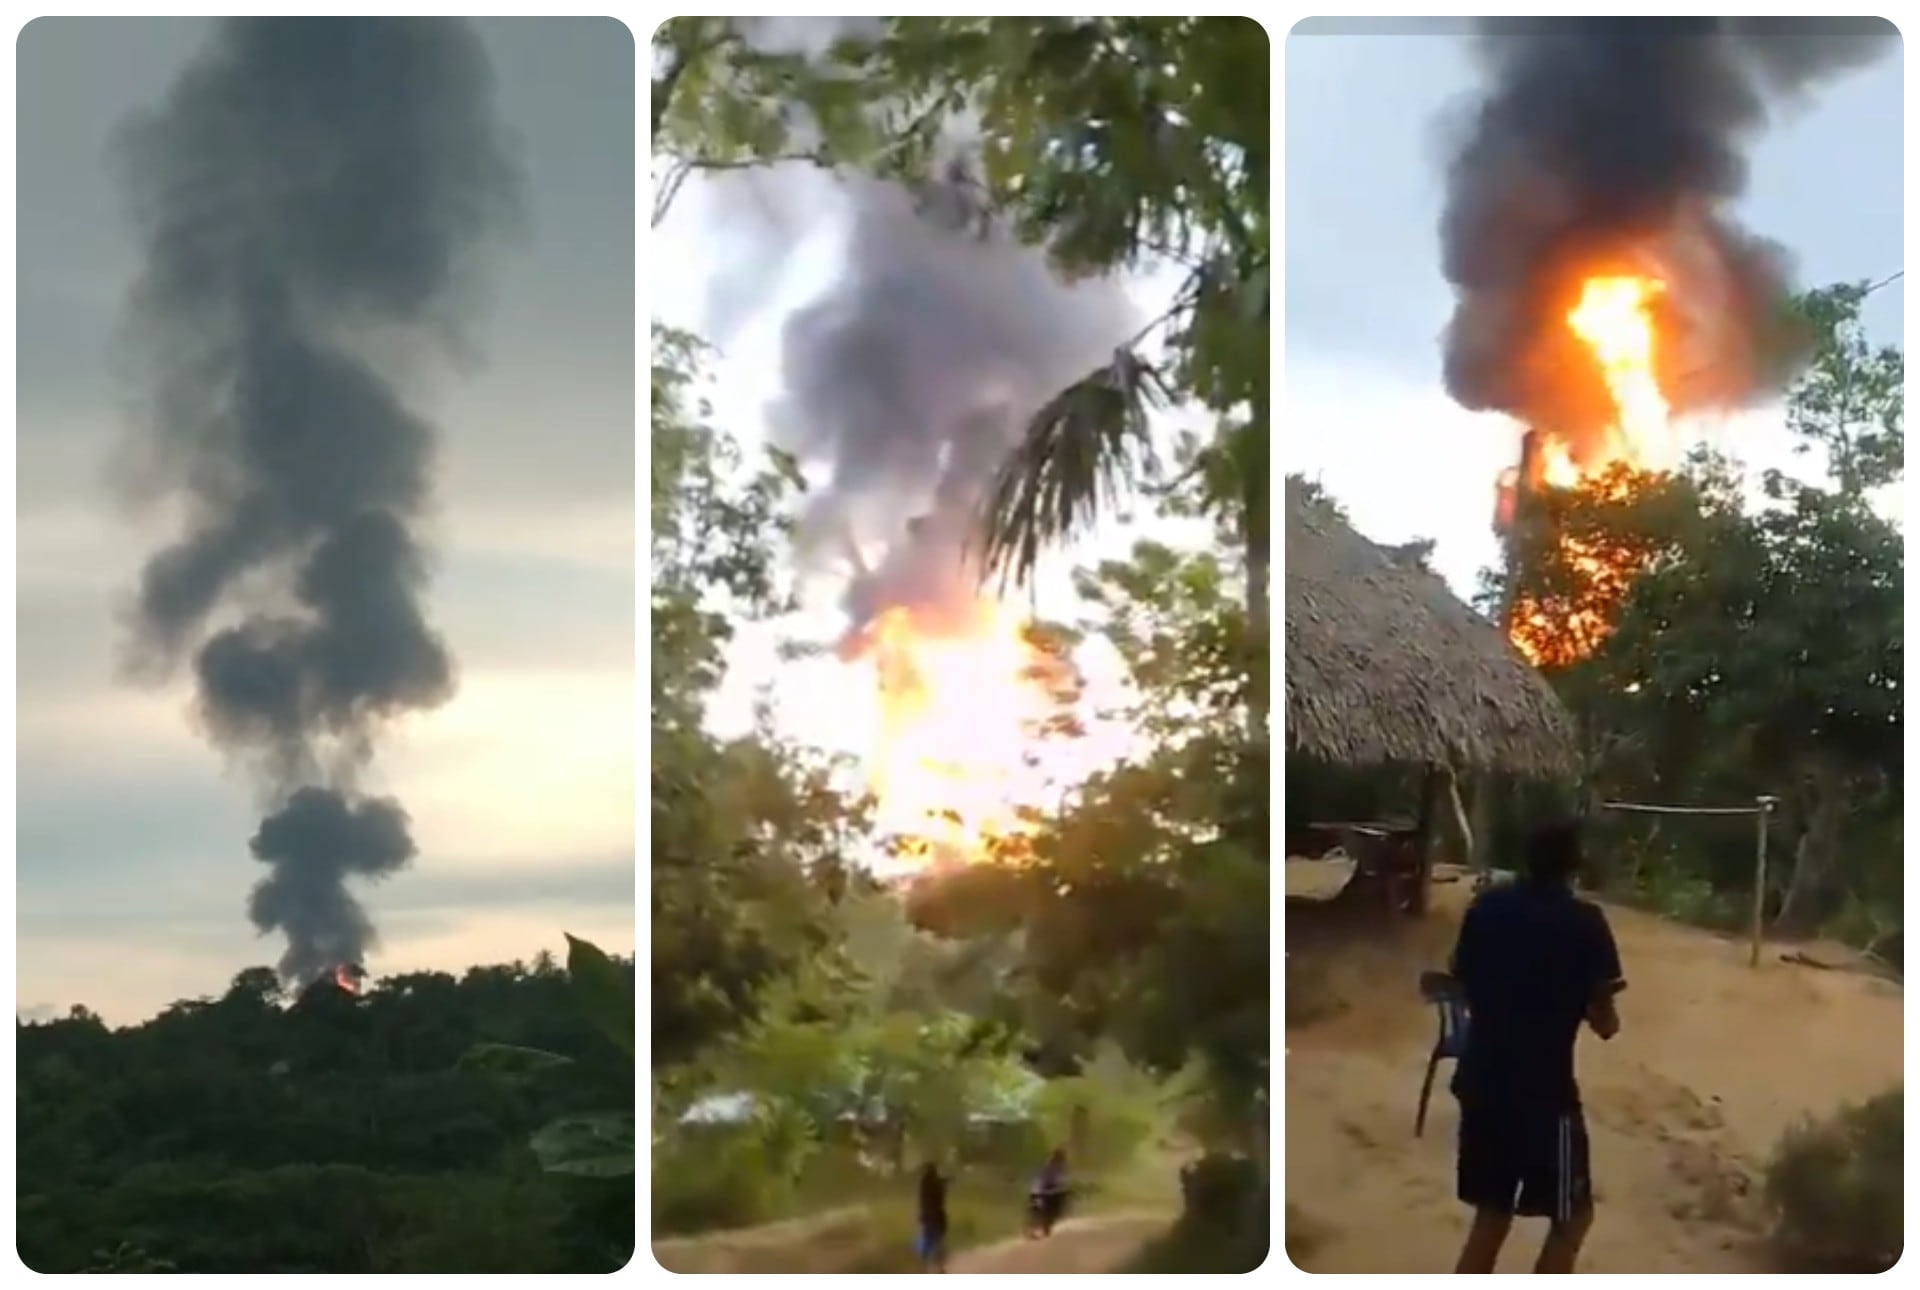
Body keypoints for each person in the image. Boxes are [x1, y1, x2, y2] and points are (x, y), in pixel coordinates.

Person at [1447, 819, 1625, 1274]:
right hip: (1545, 1098)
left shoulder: (1485, 908)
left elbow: (1462, 981)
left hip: (1481, 1082)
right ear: (1573, 865)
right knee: (1573, 1217)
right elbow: (1604, 1022)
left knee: (1492, 1215)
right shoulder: (1586, 923)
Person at [1027, 1148, 1069, 1237]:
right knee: (1040, 1207)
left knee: (1053, 1206)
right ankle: (1034, 1226)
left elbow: (1061, 1182)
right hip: (1042, 1191)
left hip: (1044, 1191)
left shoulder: (1059, 1168)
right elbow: (1047, 1181)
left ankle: (1042, 1224)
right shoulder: (1050, 1167)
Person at [916, 1161, 948, 1272]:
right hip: (936, 1215)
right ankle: (940, 1268)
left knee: (926, 1241)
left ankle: (923, 1267)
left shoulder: (923, 1182)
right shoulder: (936, 1183)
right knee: (937, 1242)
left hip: (926, 1215)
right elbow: (940, 1196)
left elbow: (922, 1200)